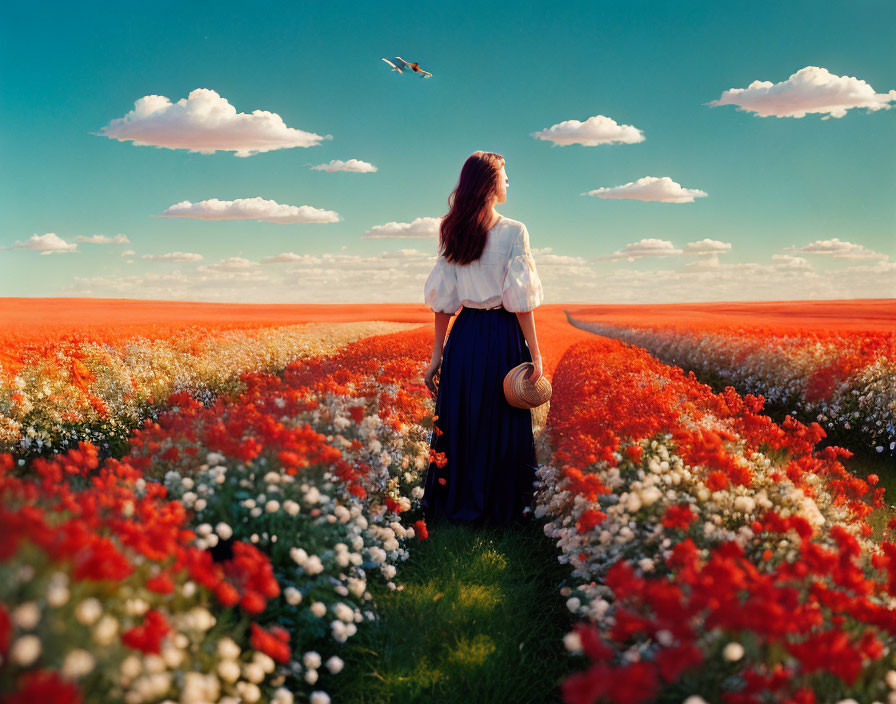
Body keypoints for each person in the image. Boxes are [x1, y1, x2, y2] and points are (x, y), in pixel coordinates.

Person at [420, 151, 544, 528]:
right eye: (505, 177)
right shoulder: (514, 231)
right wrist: (536, 355)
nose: (509, 183)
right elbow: (521, 303)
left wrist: (438, 354)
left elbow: (443, 302)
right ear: (491, 184)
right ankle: (501, 508)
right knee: (502, 419)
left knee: (463, 418)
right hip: (503, 335)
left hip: (466, 335)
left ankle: (456, 502)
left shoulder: (451, 228)